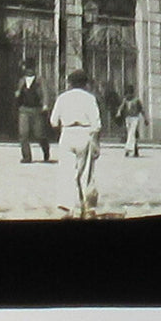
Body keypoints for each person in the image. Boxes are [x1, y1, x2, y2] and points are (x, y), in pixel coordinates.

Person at [48, 68, 103, 217]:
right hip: (85, 134)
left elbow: (53, 121)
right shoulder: (89, 98)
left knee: (66, 172)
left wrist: (63, 127)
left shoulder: (62, 98)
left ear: (70, 83)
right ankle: (88, 207)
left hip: (67, 133)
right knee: (85, 173)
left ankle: (67, 207)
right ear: (85, 84)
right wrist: (96, 143)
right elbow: (97, 124)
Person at [13, 59, 52, 164]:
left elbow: (45, 93)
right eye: (26, 68)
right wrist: (17, 95)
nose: (28, 70)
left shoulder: (40, 80)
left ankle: (46, 150)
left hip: (37, 110)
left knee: (39, 134)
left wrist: (45, 105)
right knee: (23, 134)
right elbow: (18, 94)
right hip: (24, 109)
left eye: (29, 68)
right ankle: (27, 157)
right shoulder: (22, 81)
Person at [118, 85, 145, 157]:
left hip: (135, 118)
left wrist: (145, 119)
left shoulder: (136, 100)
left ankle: (128, 148)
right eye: (127, 93)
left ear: (132, 93)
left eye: (129, 93)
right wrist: (119, 112)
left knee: (131, 133)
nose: (128, 95)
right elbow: (121, 107)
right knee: (131, 134)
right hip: (128, 118)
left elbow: (142, 110)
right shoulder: (126, 100)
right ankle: (135, 150)